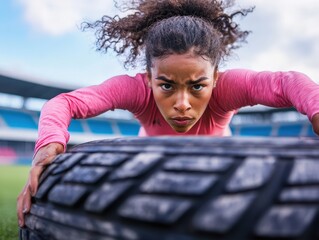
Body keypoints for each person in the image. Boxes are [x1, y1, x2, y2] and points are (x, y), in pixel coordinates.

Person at [17, 0, 319, 227]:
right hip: (150, 160)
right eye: (167, 85)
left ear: (215, 78)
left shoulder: (229, 87)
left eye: (198, 86)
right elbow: (62, 103)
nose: (183, 103)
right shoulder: (136, 90)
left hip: (220, 159)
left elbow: (286, 83)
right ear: (149, 79)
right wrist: (47, 147)